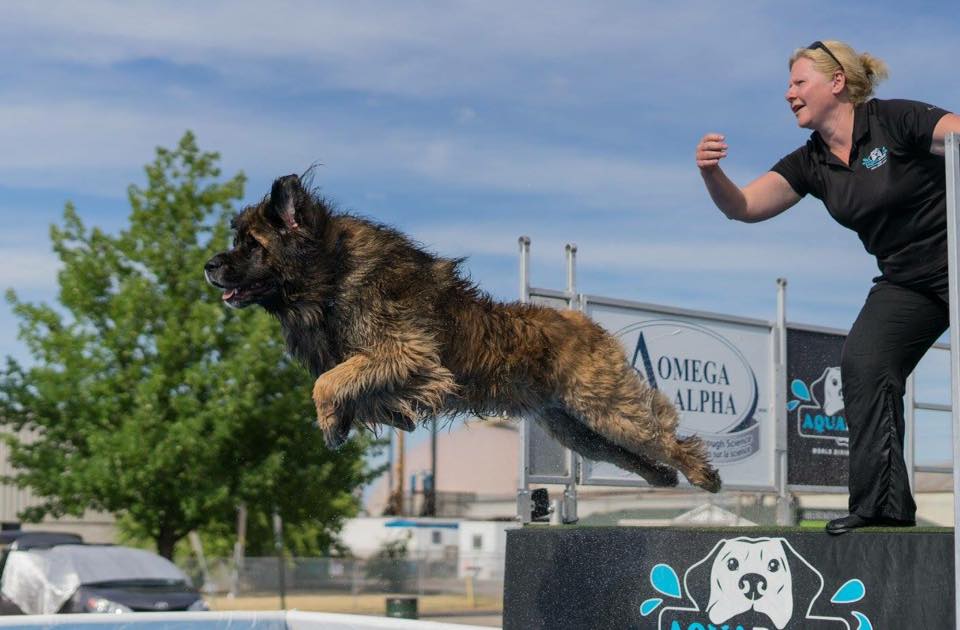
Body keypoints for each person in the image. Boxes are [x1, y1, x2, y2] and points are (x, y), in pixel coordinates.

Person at [695, 40, 960, 534]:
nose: (789, 93)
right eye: (789, 86)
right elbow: (744, 207)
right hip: (908, 281)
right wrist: (712, 174)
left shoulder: (895, 120)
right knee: (864, 363)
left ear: (836, 82)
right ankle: (882, 507)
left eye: (799, 83)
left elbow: (958, 137)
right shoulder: (810, 162)